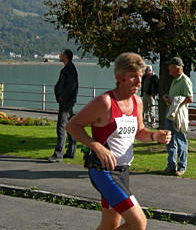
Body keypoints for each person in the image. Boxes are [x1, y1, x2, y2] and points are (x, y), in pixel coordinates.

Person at [66, 52, 171, 230]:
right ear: (119, 77)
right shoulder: (105, 102)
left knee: (109, 225)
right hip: (103, 171)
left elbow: (139, 132)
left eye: (140, 76)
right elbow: (72, 126)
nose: (139, 82)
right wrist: (96, 146)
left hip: (123, 171)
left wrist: (155, 136)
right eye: (132, 77)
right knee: (138, 222)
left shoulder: (137, 102)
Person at [162, 57, 193, 176]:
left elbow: (190, 98)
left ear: (176, 68)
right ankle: (171, 165)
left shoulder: (185, 80)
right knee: (169, 139)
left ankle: (181, 167)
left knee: (181, 140)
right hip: (170, 113)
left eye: (170, 66)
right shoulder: (174, 80)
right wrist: (169, 99)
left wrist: (175, 102)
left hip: (178, 115)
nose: (168, 68)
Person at [48, 49, 78, 162]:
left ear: (65, 56)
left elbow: (71, 85)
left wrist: (63, 96)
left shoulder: (69, 68)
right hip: (67, 100)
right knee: (70, 126)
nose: (59, 55)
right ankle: (71, 151)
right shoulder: (69, 68)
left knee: (61, 126)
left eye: (61, 54)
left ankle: (58, 154)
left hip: (66, 101)